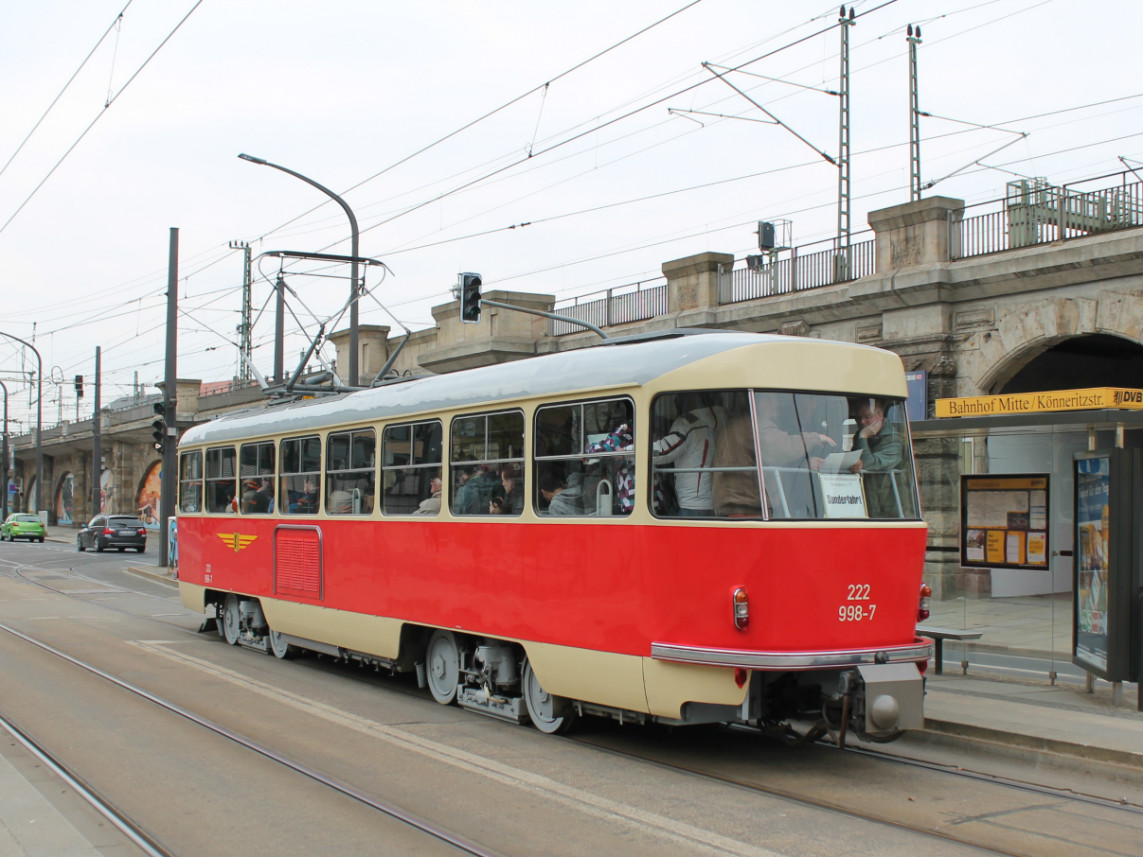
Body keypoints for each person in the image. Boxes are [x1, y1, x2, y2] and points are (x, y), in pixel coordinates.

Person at [652, 398, 728, 516]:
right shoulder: (725, 417)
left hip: (693, 500)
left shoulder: (686, 424)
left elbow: (664, 451)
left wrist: (630, 452)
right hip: (719, 497)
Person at [848, 397, 905, 517]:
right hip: (867, 505)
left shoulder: (894, 440)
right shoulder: (861, 436)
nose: (862, 422)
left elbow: (869, 463)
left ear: (880, 416)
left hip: (891, 511)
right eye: (858, 418)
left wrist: (863, 437)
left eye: (867, 417)